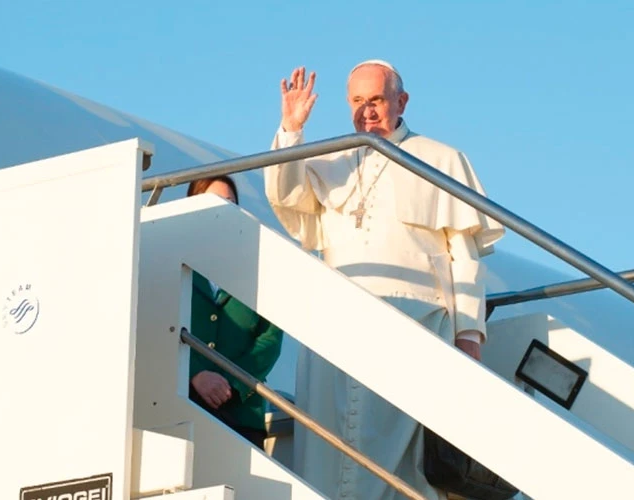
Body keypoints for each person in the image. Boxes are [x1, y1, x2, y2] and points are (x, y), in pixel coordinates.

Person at [264, 61, 505, 499]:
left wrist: (469, 336)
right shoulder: (329, 158)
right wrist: (291, 128)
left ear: (401, 101)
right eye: (357, 101)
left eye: (375, 100)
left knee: (404, 467)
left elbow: (464, 257)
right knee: (328, 454)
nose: (367, 111)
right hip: (336, 329)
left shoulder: (441, 158)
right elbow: (285, 196)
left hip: (418, 322)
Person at [186, 175, 284, 450]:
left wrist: (231, 381)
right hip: (183, 404)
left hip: (242, 413)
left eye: (230, 203)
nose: (223, 209)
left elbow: (270, 338)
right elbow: (157, 324)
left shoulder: (257, 267)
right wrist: (195, 373)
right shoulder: (170, 260)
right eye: (213, 201)